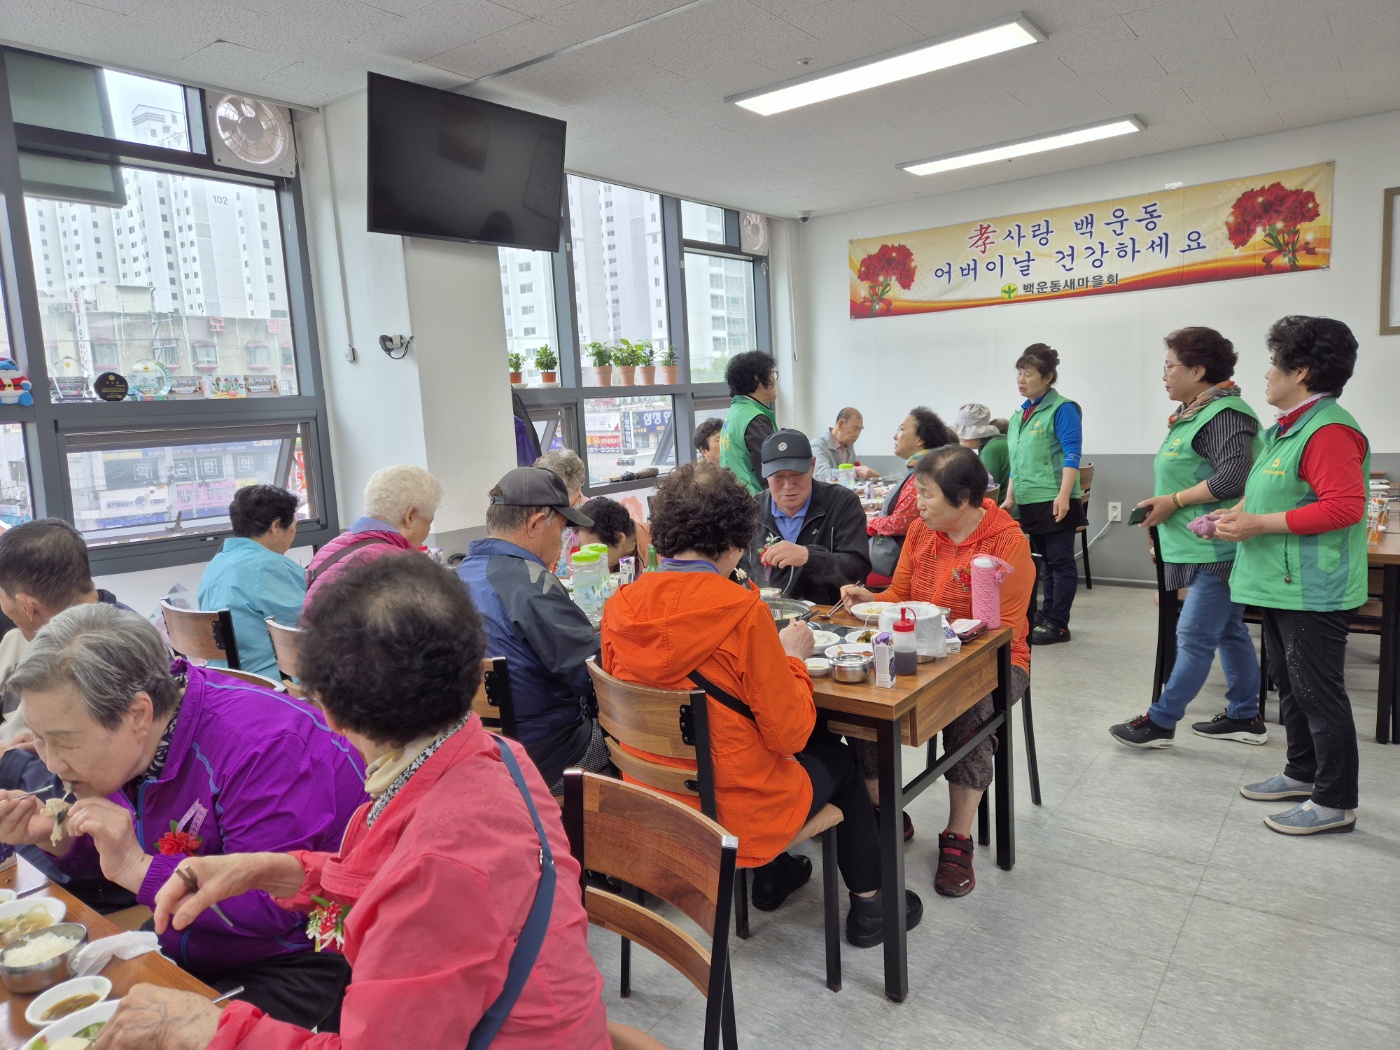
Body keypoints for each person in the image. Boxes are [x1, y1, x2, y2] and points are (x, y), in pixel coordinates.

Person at [104, 556, 610, 1049]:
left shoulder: (442, 864)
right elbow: (394, 880)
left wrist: (206, 1029)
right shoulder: (490, 753)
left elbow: (421, 887)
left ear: (330, 711)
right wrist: (273, 870)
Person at [0, 603, 367, 1027]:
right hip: (190, 941)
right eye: (39, 740)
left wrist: (139, 869)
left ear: (137, 714)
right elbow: (121, 849)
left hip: (301, 958)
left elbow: (273, 906)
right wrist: (56, 836)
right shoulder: (136, 743)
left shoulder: (266, 748)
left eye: (62, 742)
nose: (49, 763)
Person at [602, 462, 921, 948]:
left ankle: (776, 876)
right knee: (838, 759)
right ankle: (873, 907)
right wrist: (793, 658)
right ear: (735, 542)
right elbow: (789, 733)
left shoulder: (619, 606)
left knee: (750, 743)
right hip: (736, 813)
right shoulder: (741, 613)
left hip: (655, 800)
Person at [841, 445, 1034, 897]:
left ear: (963, 497)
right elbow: (900, 594)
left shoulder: (1008, 543)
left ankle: (957, 837)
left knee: (971, 710)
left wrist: (943, 651)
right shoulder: (921, 533)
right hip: (922, 656)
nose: (919, 504)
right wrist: (870, 600)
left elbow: (1002, 633)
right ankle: (882, 810)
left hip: (997, 662)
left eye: (926, 495)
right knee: (866, 698)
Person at [1215, 316, 1369, 836]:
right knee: (1290, 686)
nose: (1265, 374)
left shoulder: (1329, 430)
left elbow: (1344, 508)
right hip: (1279, 582)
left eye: (1274, 363)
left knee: (1318, 693)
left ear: (1300, 371)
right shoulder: (1285, 429)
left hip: (1313, 589)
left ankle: (1335, 801)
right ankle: (1302, 773)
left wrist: (1259, 523)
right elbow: (1269, 495)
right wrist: (1236, 515)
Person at [1111, 327, 1263, 749]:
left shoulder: (1225, 413)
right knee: (1230, 630)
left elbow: (1234, 476)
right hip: (1198, 543)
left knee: (1194, 637)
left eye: (1169, 367)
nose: (1164, 376)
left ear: (1197, 370)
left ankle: (1161, 721)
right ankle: (1246, 716)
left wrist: (1174, 500)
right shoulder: (1194, 413)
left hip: (1218, 546)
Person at [457, 467, 611, 791]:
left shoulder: (453, 579)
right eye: (563, 527)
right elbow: (591, 673)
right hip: (548, 760)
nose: (564, 540)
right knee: (633, 749)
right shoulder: (530, 583)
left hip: (478, 758)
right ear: (536, 523)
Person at [1003, 343, 1085, 645]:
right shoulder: (1019, 416)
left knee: (1060, 562)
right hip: (1028, 501)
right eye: (1019, 374)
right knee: (1042, 561)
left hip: (1053, 498)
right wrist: (1010, 498)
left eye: (1028, 374)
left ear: (1048, 377)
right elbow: (1017, 462)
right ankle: (1046, 615)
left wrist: (1064, 495)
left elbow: (1072, 453)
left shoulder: (1062, 409)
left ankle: (1058, 623)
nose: (1021, 380)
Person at [744, 429, 871, 606]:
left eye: (797, 474)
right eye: (778, 477)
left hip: (828, 616)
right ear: (765, 473)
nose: (788, 485)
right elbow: (736, 572)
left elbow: (859, 568)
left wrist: (808, 556)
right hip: (765, 614)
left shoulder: (842, 503)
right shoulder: (750, 510)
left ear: (812, 466)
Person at [197, 485, 306, 681]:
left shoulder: (215, 565)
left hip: (222, 682)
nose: (293, 534)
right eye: (293, 526)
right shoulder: (271, 567)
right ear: (276, 526)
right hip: (270, 685)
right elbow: (306, 630)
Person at [303, 465, 441, 608]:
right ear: (410, 516)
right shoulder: (399, 564)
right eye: (429, 521)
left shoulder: (330, 549)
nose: (428, 528)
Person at [867, 408, 954, 583]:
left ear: (920, 439)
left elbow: (902, 523)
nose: (894, 436)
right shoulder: (925, 466)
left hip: (896, 560)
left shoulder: (923, 472)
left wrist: (869, 522)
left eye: (900, 429)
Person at [719, 350, 778, 495]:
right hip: (756, 502)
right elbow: (769, 472)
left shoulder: (736, 412)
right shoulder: (754, 418)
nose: (775, 379)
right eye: (772, 374)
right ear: (758, 380)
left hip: (738, 500)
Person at [952, 403, 1011, 507]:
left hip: (1003, 509)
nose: (960, 439)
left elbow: (985, 489)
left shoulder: (990, 450)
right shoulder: (1001, 442)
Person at [576, 496, 651, 572]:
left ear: (619, 538)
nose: (590, 557)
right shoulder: (615, 554)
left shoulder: (657, 553)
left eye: (595, 551)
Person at [811, 407, 881, 484]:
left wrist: (868, 481)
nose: (857, 435)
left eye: (860, 430)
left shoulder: (849, 448)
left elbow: (852, 480)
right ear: (841, 424)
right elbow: (820, 475)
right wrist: (855, 472)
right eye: (855, 429)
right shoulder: (818, 445)